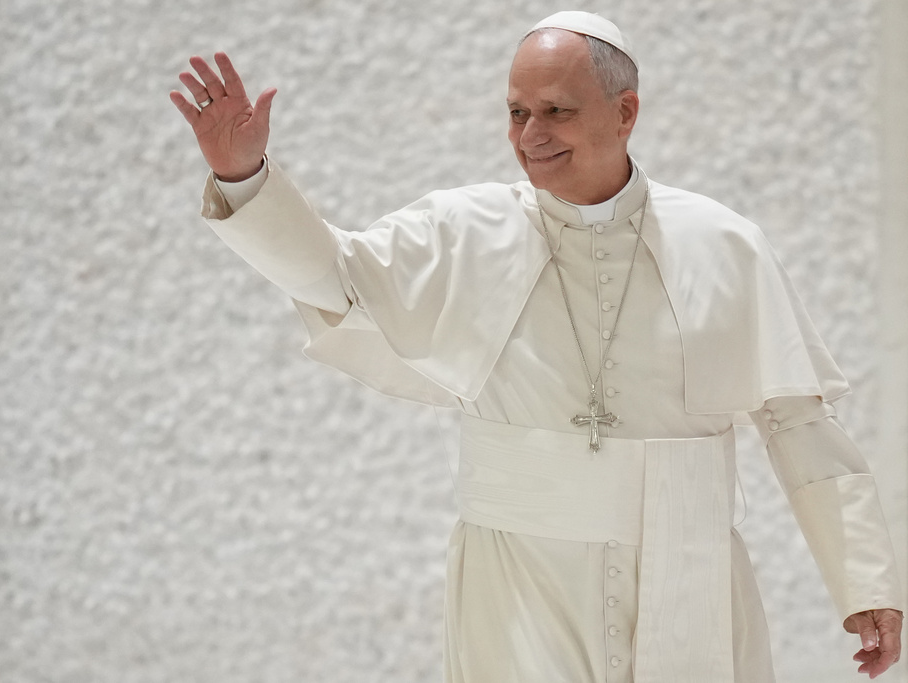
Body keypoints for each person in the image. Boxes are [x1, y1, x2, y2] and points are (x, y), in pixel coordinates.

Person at [170, 10, 903, 682]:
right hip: (521, 581)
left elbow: (798, 421)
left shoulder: (724, 243)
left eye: (556, 111)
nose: (531, 135)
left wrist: (863, 582)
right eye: (517, 113)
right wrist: (245, 174)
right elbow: (335, 280)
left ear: (626, 113)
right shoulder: (463, 230)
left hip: (693, 575)